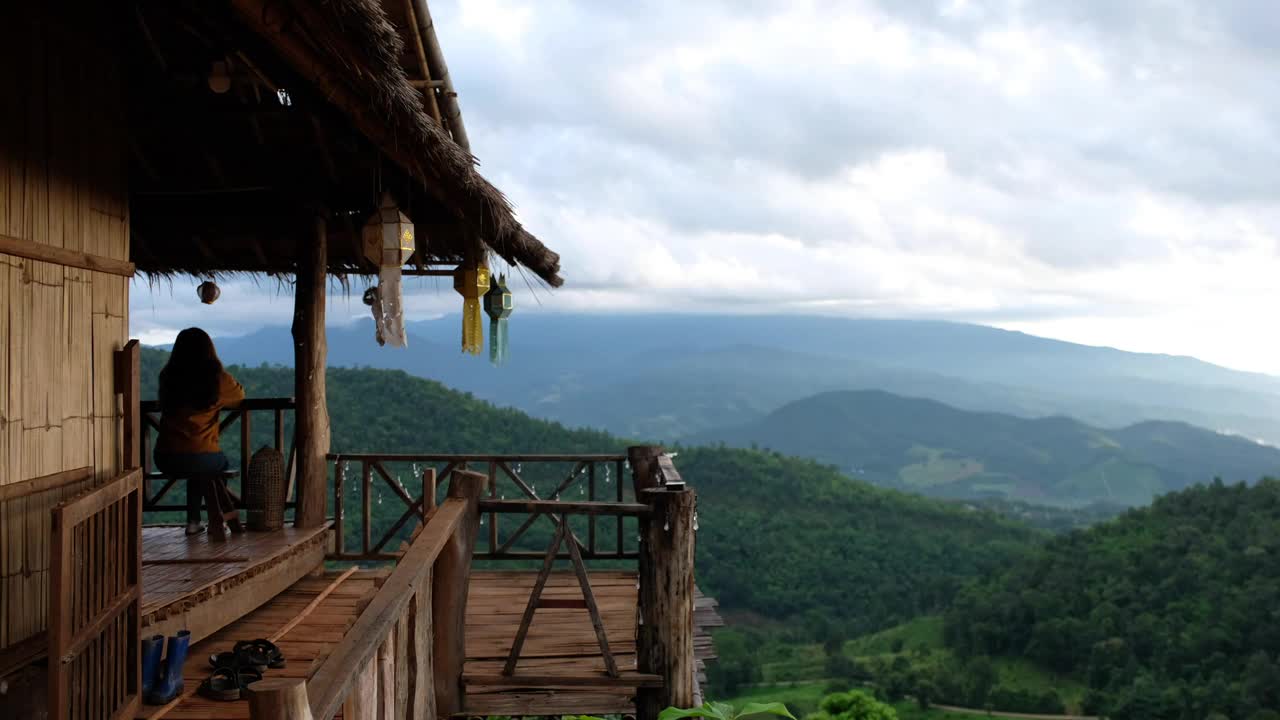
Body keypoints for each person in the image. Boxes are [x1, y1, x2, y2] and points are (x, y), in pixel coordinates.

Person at [155, 327, 245, 536]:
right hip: (201, 456)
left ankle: (193, 521)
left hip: (165, 456)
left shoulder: (168, 376)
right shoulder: (216, 379)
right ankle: (216, 516)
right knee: (214, 465)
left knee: (197, 466)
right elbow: (239, 395)